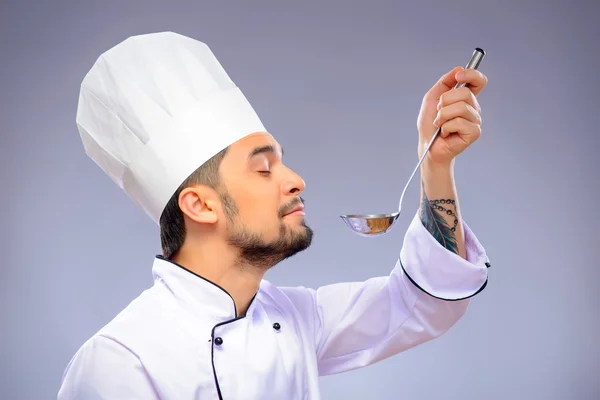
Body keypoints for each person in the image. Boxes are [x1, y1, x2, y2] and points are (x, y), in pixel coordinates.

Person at [57, 31, 491, 400]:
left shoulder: (298, 317)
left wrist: (435, 163)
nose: (296, 180)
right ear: (200, 205)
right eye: (264, 168)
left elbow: (426, 301)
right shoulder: (119, 362)